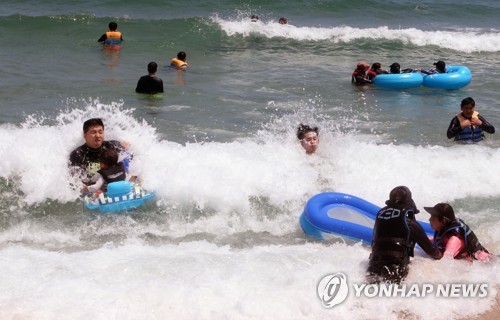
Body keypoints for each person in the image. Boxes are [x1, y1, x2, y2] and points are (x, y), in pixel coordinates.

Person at [367, 186, 442, 284]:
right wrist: (441, 255)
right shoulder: (409, 223)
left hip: (373, 267)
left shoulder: (380, 216)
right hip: (395, 270)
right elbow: (431, 251)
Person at [424, 203, 492, 262]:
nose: (429, 219)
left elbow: (445, 262)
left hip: (486, 263)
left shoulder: (455, 240)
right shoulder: (444, 229)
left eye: (433, 217)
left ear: (443, 221)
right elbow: (438, 240)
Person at [69, 118, 129, 184]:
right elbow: (75, 181)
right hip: (93, 190)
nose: (97, 136)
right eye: (93, 132)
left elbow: (129, 158)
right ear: (85, 135)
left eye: (100, 132)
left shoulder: (112, 146)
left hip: (115, 185)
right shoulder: (78, 155)